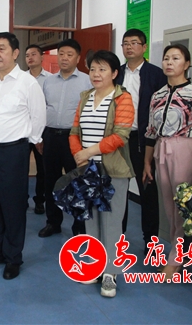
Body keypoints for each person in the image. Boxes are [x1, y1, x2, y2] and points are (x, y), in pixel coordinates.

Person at [0, 32, 46, 280]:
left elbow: (38, 117)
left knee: (12, 205)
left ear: (15, 53)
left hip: (12, 152)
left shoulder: (27, 83)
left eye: (2, 49)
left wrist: (29, 143)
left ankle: (13, 257)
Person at [69, 50, 134, 298]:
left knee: (112, 221)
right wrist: (79, 155)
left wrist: (88, 152)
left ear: (115, 73)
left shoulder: (122, 98)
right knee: (91, 220)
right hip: (88, 170)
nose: (96, 74)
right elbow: (74, 130)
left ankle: (110, 274)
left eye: (102, 69)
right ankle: (95, 267)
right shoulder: (86, 97)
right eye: (93, 69)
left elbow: (120, 136)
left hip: (113, 170)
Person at [142, 44, 192, 278]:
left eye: (176, 58)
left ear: (187, 64)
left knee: (184, 207)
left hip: (186, 150)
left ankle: (175, 260)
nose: (169, 62)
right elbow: (151, 131)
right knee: (170, 208)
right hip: (161, 149)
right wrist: (147, 162)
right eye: (166, 58)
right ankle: (179, 252)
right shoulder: (157, 94)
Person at [116, 29, 166, 249]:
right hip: (119, 139)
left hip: (143, 141)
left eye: (134, 43)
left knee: (148, 193)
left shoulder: (156, 74)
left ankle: (151, 242)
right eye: (125, 43)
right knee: (118, 191)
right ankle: (118, 238)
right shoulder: (116, 73)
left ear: (144, 47)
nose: (129, 47)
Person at [38, 39, 91, 238]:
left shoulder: (87, 81)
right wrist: (39, 136)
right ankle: (53, 222)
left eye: (69, 54)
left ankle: (79, 226)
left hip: (74, 138)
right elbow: (42, 108)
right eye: (61, 54)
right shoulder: (48, 81)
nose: (64, 58)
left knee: (77, 181)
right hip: (50, 136)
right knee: (51, 181)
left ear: (78, 58)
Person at [25, 44, 51, 214]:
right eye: (27, 55)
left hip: (42, 130)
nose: (30, 58)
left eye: (33, 54)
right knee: (21, 167)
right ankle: (22, 198)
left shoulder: (50, 79)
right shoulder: (20, 79)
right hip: (23, 129)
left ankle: (40, 200)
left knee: (43, 168)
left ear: (42, 57)